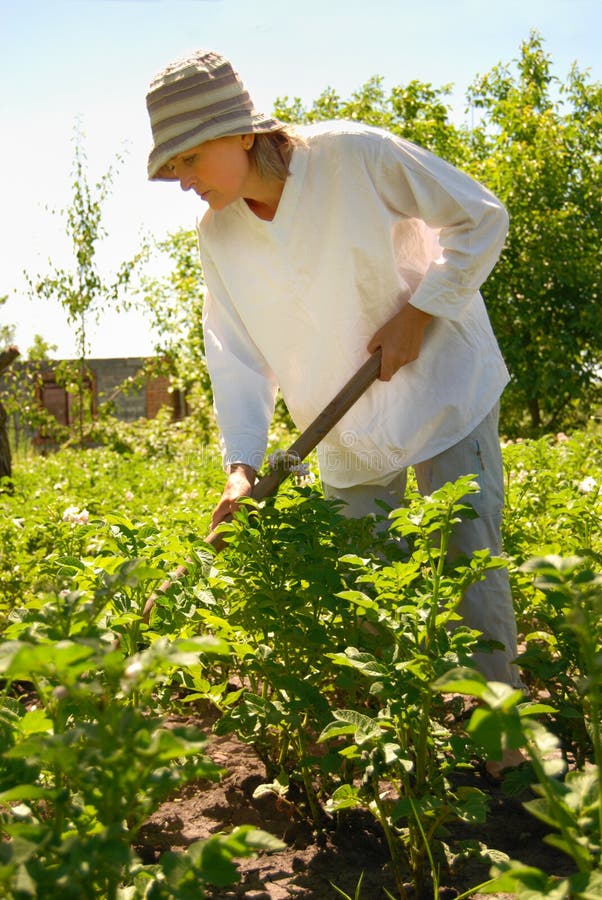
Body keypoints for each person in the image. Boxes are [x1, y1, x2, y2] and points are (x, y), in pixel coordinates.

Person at [145, 50, 526, 773]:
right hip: (343, 423)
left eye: (190, 159)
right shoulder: (218, 236)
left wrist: (421, 311)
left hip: (445, 385)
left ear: (243, 134)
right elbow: (234, 355)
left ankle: (506, 759)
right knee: (363, 585)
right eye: (174, 169)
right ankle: (402, 759)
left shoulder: (356, 156)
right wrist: (240, 465)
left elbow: (480, 217)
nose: (184, 182)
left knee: (469, 566)